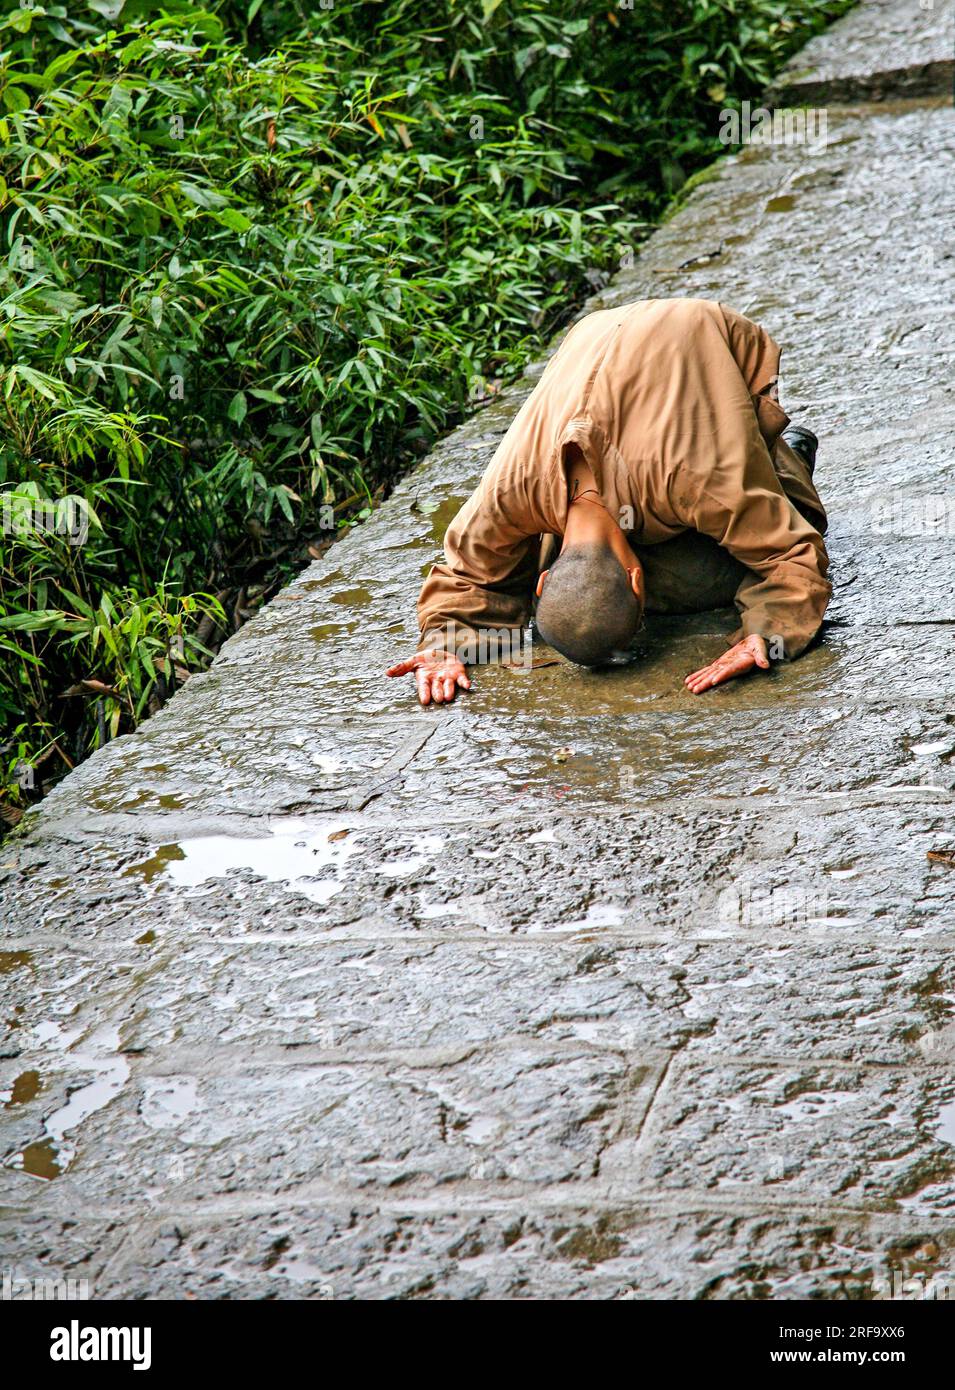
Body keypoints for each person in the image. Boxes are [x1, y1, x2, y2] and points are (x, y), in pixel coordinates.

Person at [387, 297, 830, 706]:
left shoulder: (697, 483)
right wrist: (443, 647)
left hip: (712, 336)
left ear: (637, 581)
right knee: (682, 568)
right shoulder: (512, 489)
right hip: (592, 331)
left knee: (729, 559)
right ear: (541, 584)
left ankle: (786, 453)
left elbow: (792, 553)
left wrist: (770, 633)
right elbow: (468, 577)